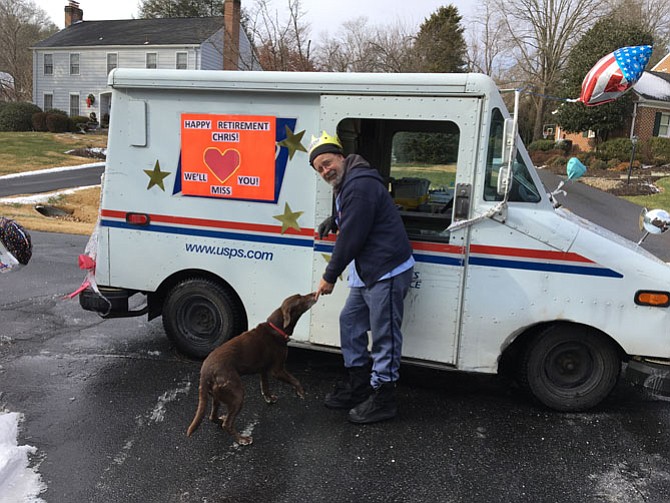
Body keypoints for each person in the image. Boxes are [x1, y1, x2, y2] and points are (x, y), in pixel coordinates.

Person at [309, 131, 414, 424]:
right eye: (320, 169)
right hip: (370, 271)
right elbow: (355, 217)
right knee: (350, 321)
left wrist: (330, 276)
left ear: (340, 157)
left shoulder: (358, 185)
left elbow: (352, 237)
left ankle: (384, 398)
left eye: (327, 162)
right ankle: (359, 384)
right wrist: (335, 220)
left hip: (386, 270)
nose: (326, 170)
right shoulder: (349, 180)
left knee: (384, 336)